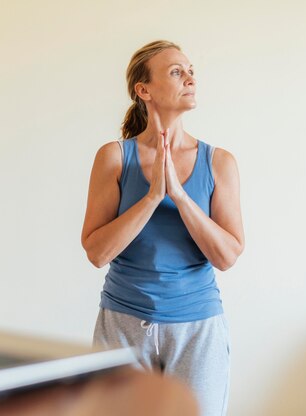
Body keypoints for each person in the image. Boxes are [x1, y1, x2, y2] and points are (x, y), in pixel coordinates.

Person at [81, 40, 245, 416]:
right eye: (176, 71)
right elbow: (96, 252)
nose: (190, 77)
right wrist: (152, 196)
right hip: (121, 326)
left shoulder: (219, 162)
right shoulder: (114, 158)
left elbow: (228, 255)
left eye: (191, 71)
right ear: (144, 90)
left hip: (197, 330)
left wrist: (181, 197)